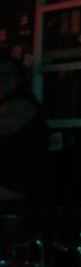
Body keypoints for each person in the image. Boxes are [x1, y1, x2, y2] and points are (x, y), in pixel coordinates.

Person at [0, 54, 49, 204]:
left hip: (19, 185)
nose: (3, 78)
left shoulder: (23, 101)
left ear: (20, 80)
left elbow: (5, 126)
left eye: (9, 75)